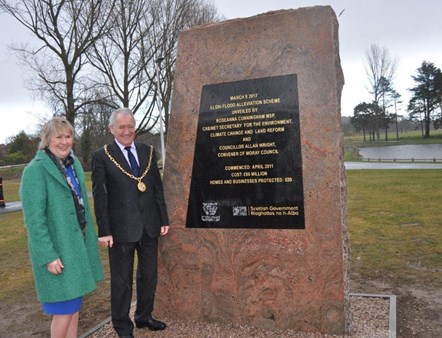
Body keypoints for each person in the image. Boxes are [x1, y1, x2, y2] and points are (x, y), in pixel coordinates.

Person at [20, 117, 103, 338]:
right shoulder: (35, 171)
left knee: (74, 308)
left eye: (68, 136)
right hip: (58, 252)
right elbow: (34, 221)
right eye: (59, 137)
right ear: (47, 140)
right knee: (64, 311)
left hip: (77, 248)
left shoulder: (72, 165)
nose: (64, 142)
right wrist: (48, 255)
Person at [91, 107, 169, 338]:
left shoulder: (148, 151)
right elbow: (100, 196)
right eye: (122, 127)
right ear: (112, 129)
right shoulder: (102, 156)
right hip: (120, 231)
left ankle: (144, 317)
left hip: (150, 226)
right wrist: (104, 231)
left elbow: (156, 188)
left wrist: (163, 218)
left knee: (148, 276)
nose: (127, 132)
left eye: (130, 127)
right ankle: (123, 327)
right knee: (122, 282)